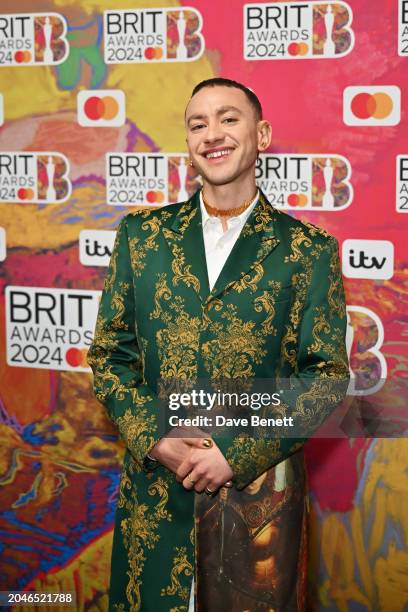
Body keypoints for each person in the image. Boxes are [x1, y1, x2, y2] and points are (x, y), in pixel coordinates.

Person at [87, 77, 349, 611]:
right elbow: (109, 354)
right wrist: (156, 437)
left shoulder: (308, 250)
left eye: (228, 119)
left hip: (257, 509)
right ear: (188, 142)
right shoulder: (142, 236)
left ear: (262, 134)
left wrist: (236, 451)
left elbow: (324, 376)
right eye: (198, 123)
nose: (213, 134)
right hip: (157, 498)